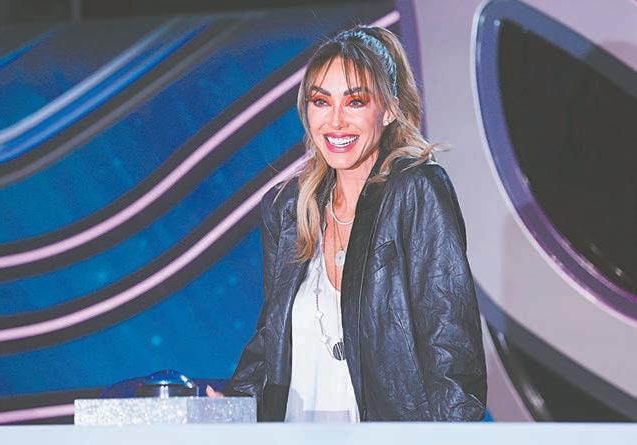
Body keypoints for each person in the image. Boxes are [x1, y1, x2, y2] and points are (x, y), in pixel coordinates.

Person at [206, 25, 487, 422]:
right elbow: (272, 340)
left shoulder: (416, 190)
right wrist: (234, 407)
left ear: (388, 110)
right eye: (321, 101)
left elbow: (450, 348)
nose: (335, 121)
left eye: (355, 102)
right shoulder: (290, 208)